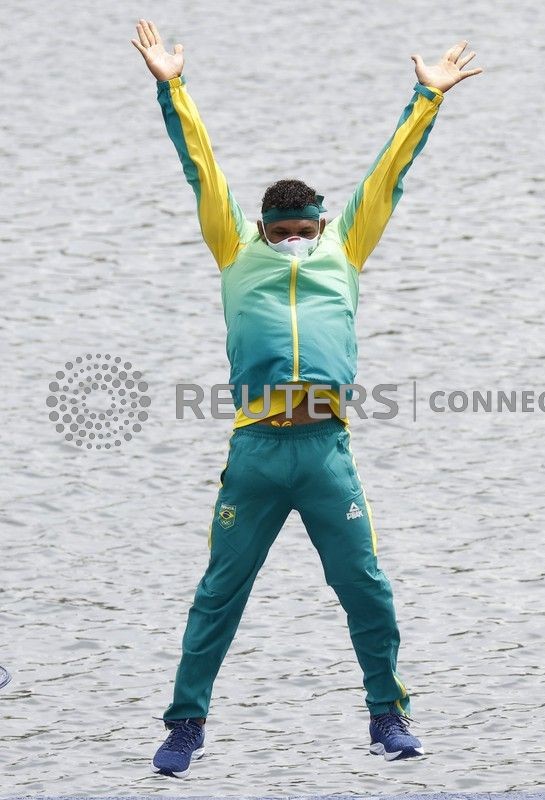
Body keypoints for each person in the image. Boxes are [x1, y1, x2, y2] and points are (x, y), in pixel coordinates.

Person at [132, 18, 482, 777]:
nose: (292, 239)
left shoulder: (345, 246)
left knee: (366, 589)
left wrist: (425, 98)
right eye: (280, 230)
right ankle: (185, 726)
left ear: (320, 223)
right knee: (218, 596)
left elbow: (389, 173)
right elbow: (201, 168)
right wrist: (172, 87)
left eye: (302, 229)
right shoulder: (234, 246)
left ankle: (387, 715)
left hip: (325, 452)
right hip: (257, 452)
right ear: (262, 226)